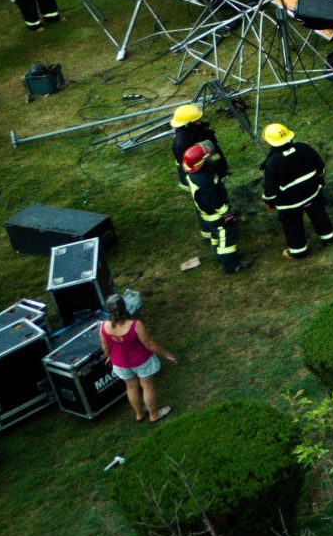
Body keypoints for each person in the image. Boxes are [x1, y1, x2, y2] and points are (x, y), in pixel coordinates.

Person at [259, 123, 333, 258]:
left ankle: (298, 251)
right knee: (319, 215)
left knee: (292, 225)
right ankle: (329, 238)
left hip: (290, 203)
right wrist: (319, 181)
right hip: (312, 193)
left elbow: (270, 189)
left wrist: (269, 202)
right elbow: (320, 167)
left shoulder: (272, 163)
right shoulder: (304, 148)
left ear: (270, 143)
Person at [98, 295, 174, 423]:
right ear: (124, 307)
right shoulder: (135, 325)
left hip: (120, 363)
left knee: (131, 387)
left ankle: (139, 414)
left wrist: (109, 357)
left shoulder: (103, 326)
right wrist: (166, 354)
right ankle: (154, 415)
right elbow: (149, 344)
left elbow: (105, 347)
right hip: (141, 361)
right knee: (147, 386)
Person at [180, 143, 247, 273]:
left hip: (208, 213)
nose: (210, 157)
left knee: (216, 236)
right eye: (206, 157)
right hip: (216, 214)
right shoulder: (203, 179)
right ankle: (231, 265)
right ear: (200, 163)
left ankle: (222, 257)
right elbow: (211, 199)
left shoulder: (194, 171)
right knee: (225, 237)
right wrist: (225, 211)